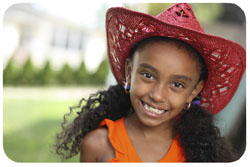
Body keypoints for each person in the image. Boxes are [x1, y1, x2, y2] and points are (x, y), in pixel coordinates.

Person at [55, 3, 246, 162]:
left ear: (194, 91)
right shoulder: (97, 145)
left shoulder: (199, 155)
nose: (157, 95)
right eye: (148, 75)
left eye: (177, 85)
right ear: (129, 72)